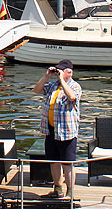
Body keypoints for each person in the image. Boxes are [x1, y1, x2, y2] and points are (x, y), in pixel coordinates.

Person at [33, 59, 80, 199]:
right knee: (53, 161)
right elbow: (37, 90)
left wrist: (63, 81)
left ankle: (70, 192)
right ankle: (57, 189)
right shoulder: (53, 85)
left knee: (67, 164)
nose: (57, 73)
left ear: (69, 72)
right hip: (51, 130)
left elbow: (72, 97)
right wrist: (47, 76)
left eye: (61, 71)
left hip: (66, 132)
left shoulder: (75, 86)